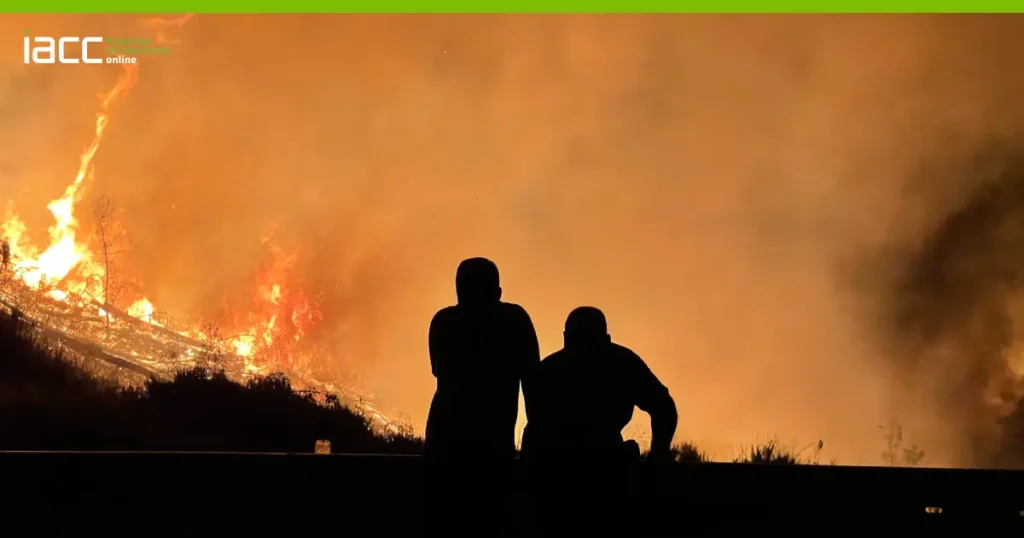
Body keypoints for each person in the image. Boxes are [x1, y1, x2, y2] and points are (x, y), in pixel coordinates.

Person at [522, 306, 678, 534]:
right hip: (568, 472)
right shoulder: (619, 363)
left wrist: (658, 454)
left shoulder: (618, 364)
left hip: (587, 470)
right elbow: (663, 407)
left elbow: (663, 407)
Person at [423, 257, 541, 534]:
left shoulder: (444, 321)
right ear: (498, 292)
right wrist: (534, 439)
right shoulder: (514, 321)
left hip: (445, 443)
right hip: (494, 445)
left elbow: (438, 370)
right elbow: (533, 380)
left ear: (458, 290)